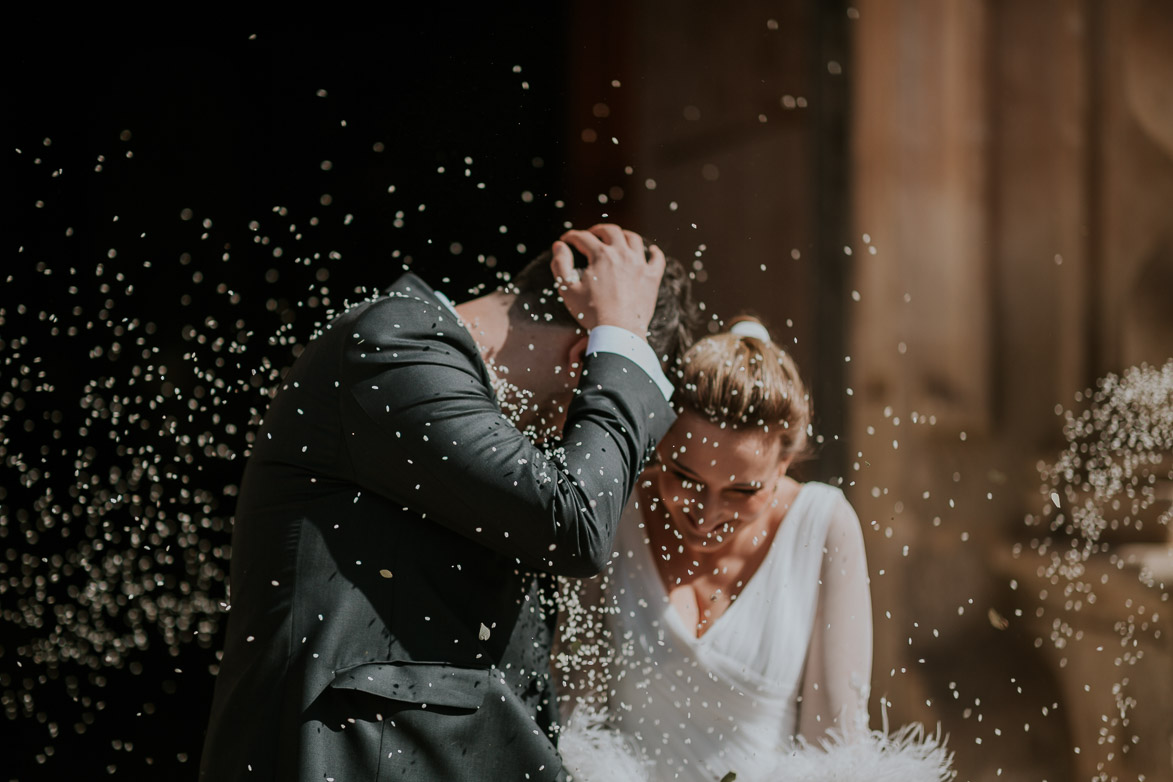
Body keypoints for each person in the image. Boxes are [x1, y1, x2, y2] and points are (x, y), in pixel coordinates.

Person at [199, 223, 695, 781]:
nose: (573, 441)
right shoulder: (396, 337)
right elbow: (574, 525)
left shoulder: (450, 385)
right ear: (586, 358)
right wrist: (624, 338)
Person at [558, 318, 952, 782]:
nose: (704, 515)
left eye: (741, 490)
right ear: (659, 441)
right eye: (684, 477)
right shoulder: (618, 512)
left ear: (785, 461)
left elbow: (835, 745)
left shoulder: (823, 525)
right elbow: (575, 716)